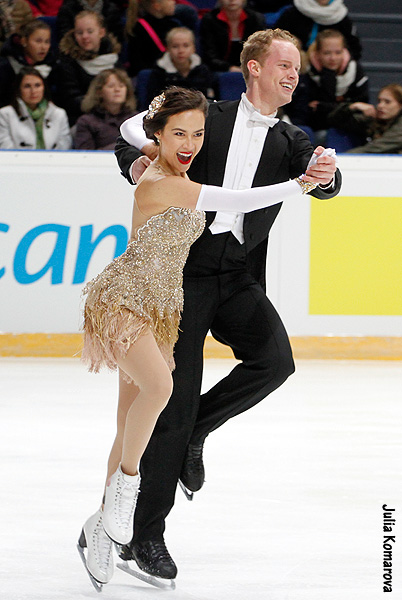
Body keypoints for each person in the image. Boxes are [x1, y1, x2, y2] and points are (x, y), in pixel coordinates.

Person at [78, 85, 333, 590]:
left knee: (132, 417)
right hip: (130, 298)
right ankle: (131, 512)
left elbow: (140, 129)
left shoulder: (193, 157)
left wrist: (317, 175)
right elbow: (232, 197)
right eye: (181, 133)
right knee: (163, 393)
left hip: (177, 297)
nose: (193, 140)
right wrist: (298, 185)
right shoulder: (166, 177)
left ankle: (101, 528)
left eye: (197, 132)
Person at [302, 28, 369, 144]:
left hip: (349, 129)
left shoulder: (356, 72)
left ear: (344, 51)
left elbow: (362, 109)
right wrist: (328, 75)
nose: (333, 58)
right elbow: (314, 116)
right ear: (317, 53)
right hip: (316, 130)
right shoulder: (307, 74)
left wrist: (322, 106)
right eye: (327, 53)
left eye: (338, 52)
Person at [58, 10, 122, 124]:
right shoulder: (68, 62)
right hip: (83, 119)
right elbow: (70, 99)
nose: (85, 37)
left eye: (90, 31)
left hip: (116, 116)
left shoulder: (113, 58)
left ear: (101, 33)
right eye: (79, 32)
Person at [0, 66, 71, 148]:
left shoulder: (59, 114)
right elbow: (5, 149)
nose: (33, 91)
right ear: (19, 89)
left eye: (37, 85)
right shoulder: (4, 115)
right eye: (27, 86)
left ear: (44, 88)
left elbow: (64, 148)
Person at [144, 26, 216, 107]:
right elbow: (154, 102)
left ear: (193, 48)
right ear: (167, 49)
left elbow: (210, 99)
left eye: (186, 46)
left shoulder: (203, 70)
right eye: (175, 46)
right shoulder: (159, 72)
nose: (181, 51)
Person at [328, 83, 402, 154]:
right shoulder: (373, 119)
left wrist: (345, 157)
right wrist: (352, 107)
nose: (380, 106)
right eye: (379, 101)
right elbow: (334, 120)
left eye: (387, 102)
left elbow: (378, 147)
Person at [74, 67, 137, 149]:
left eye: (121, 86)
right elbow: (84, 155)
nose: (117, 90)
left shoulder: (136, 119)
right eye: (111, 86)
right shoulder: (87, 121)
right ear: (99, 92)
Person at [276, 0, 362, 60]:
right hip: (297, 64)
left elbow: (355, 49)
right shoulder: (293, 13)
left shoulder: (341, 18)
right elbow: (275, 38)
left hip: (326, 68)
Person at [0, 19, 57, 107]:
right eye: (38, 41)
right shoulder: (5, 65)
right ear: (24, 41)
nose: (43, 47)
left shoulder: (53, 63)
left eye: (47, 42)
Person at [199, 0, 266, 73]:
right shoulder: (209, 20)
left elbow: (260, 51)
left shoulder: (256, 19)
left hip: (250, 68)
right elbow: (209, 55)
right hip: (217, 70)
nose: (232, 0)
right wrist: (229, 68)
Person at [125, 0, 180, 76]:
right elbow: (137, 62)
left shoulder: (174, 24)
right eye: (169, 0)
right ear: (157, 6)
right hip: (154, 74)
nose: (174, 2)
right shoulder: (139, 28)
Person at [56, 0, 122, 42]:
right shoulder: (67, 9)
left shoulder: (111, 9)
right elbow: (65, 38)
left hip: (106, 54)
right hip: (75, 55)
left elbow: (117, 38)